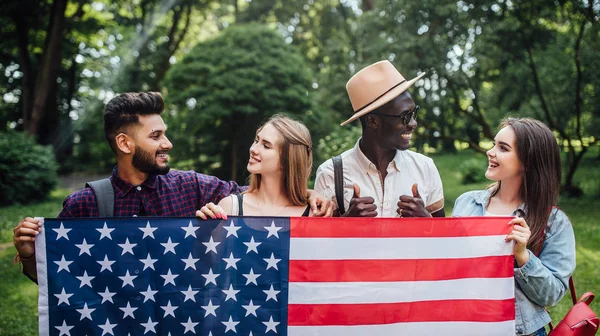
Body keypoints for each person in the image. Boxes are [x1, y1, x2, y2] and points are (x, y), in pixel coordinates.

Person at [13, 93, 332, 283]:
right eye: (155, 137)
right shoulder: (84, 205)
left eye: (164, 133)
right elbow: (57, 284)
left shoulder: (191, 186)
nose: (168, 143)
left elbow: (258, 195)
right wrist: (29, 256)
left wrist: (308, 194)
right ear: (124, 143)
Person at [452, 117, 576, 336]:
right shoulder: (466, 204)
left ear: (528, 162)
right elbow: (453, 270)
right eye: (494, 144)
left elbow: (553, 293)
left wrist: (523, 256)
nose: (490, 151)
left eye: (502, 147)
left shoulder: (554, 222)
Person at [314, 60, 445, 218]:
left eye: (414, 113)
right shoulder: (330, 174)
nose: (413, 123)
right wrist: (346, 222)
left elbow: (443, 240)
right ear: (372, 121)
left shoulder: (425, 168)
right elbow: (321, 241)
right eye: (405, 116)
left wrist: (426, 220)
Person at [197, 114, 313, 218]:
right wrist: (207, 229)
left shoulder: (314, 214)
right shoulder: (230, 207)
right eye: (256, 141)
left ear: (288, 160)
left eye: (266, 146)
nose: (253, 149)